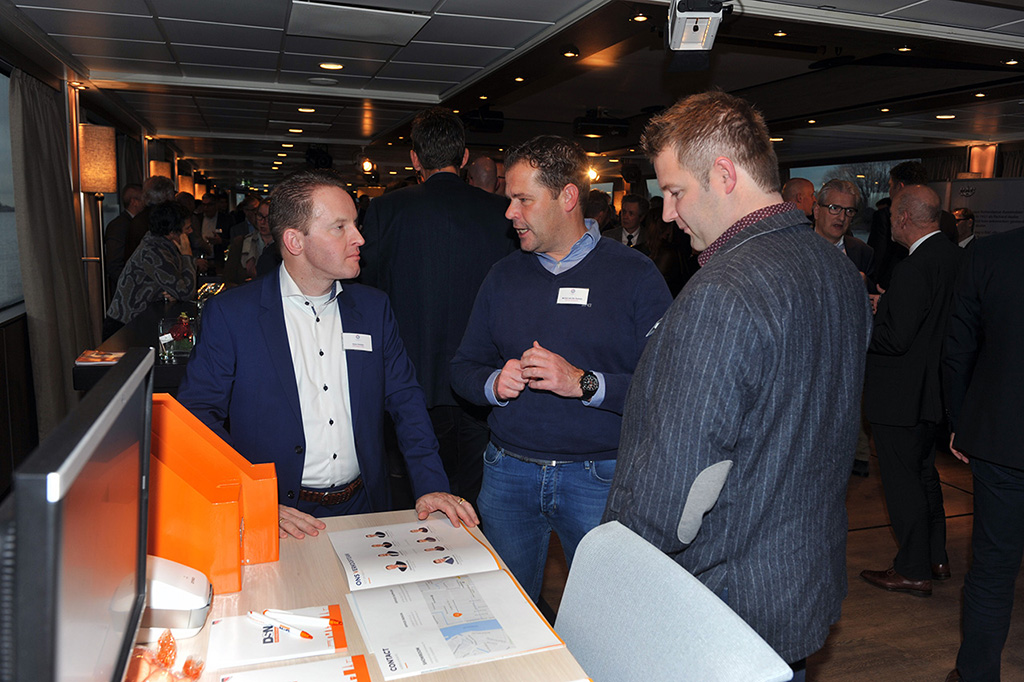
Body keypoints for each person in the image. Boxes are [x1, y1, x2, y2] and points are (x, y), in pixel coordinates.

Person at [602, 91, 872, 677]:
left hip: (722, 604)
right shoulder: (838, 270)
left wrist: (613, 576)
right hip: (797, 586)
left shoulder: (723, 292)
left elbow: (675, 484)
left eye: (676, 192)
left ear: (724, 175)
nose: (668, 214)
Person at [177, 168, 477, 540]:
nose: (359, 238)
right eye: (340, 227)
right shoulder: (232, 315)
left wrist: (431, 483)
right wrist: (251, 498)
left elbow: (406, 400)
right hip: (277, 514)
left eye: (356, 224)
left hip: (364, 506)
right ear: (294, 241)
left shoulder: (373, 309)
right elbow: (197, 418)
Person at [450, 135, 672, 602]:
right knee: (511, 609)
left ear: (567, 197)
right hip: (507, 474)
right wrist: (494, 383)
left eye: (523, 199)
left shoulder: (635, 275)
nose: (510, 212)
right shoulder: (502, 275)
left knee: (605, 612)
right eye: (510, 199)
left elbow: (667, 389)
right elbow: (463, 367)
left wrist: (582, 383)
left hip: (599, 479)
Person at [360, 108, 514, 510]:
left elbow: (367, 292)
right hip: (481, 380)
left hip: (409, 381)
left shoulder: (386, 211)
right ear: (464, 158)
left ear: (415, 159)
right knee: (477, 501)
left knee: (419, 499)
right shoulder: (499, 213)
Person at [860, 185, 962, 597]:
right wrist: (889, 305)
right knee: (924, 477)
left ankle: (912, 569)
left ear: (902, 217)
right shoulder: (956, 258)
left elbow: (895, 340)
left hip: (899, 396)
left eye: (890, 217)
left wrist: (861, 324)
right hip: (932, 392)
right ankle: (936, 557)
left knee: (903, 485)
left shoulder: (913, 267)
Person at [942, 226, 1024, 682]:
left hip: (1001, 437)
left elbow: (959, 345)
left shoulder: (991, 253)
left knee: (993, 569)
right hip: (1000, 441)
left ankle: (976, 675)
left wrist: (960, 420)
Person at [105, 201, 196, 330]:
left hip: (137, 322)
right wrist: (187, 256)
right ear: (172, 232)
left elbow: (177, 287)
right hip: (124, 326)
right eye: (187, 228)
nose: (191, 231)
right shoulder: (154, 251)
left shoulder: (159, 245)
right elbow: (186, 293)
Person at [812, 178, 876, 291]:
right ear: (817, 211)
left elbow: (873, 294)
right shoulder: (796, 248)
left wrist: (864, 284)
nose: (842, 217)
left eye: (849, 211)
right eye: (834, 208)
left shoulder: (863, 252)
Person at [104, 183, 143, 293]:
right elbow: (114, 264)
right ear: (134, 202)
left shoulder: (134, 223)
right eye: (143, 200)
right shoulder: (119, 226)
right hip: (126, 289)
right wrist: (130, 286)